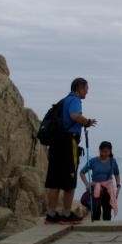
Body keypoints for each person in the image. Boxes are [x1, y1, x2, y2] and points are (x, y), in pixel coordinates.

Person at [44, 77, 97, 224]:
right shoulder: (74, 100)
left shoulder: (64, 100)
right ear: (79, 88)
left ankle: (51, 214)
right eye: (86, 89)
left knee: (54, 180)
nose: (87, 92)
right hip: (68, 143)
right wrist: (87, 122)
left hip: (56, 143)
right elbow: (75, 116)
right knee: (69, 180)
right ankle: (66, 215)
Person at [80, 140, 121, 221]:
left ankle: (107, 230)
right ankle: (95, 229)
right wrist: (87, 184)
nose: (105, 153)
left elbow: (117, 173)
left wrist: (118, 185)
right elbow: (82, 172)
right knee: (96, 211)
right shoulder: (93, 161)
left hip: (108, 189)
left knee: (107, 211)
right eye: (103, 151)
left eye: (107, 151)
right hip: (96, 188)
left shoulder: (112, 161)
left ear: (110, 151)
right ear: (100, 150)